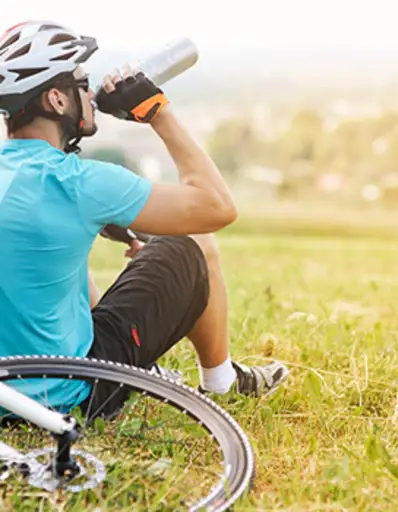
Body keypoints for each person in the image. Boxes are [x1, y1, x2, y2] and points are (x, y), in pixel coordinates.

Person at [0, 21, 288, 417]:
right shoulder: (81, 182)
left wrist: (105, 223)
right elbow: (217, 207)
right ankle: (222, 382)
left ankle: (145, 367)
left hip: (4, 392)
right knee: (194, 244)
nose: (90, 94)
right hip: (66, 393)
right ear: (56, 99)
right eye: (82, 85)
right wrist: (156, 111)